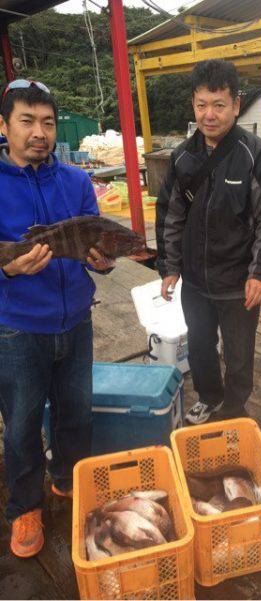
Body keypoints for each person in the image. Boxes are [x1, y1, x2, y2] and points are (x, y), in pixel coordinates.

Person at [0, 80, 114, 558]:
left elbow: (94, 244)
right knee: (22, 423)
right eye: (27, 121)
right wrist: (7, 266)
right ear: (4, 126)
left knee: (76, 412)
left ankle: (70, 479)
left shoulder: (75, 180)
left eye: (47, 122)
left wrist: (102, 261)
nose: (39, 132)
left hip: (76, 321)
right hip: (18, 330)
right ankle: (25, 506)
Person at [156, 59, 261, 425]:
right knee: (199, 347)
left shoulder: (256, 155)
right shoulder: (182, 156)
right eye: (202, 105)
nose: (209, 114)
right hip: (196, 281)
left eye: (218, 104)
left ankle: (235, 407)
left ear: (236, 103)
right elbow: (170, 215)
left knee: (239, 353)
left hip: (238, 282)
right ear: (193, 105)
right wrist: (168, 268)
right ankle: (210, 398)